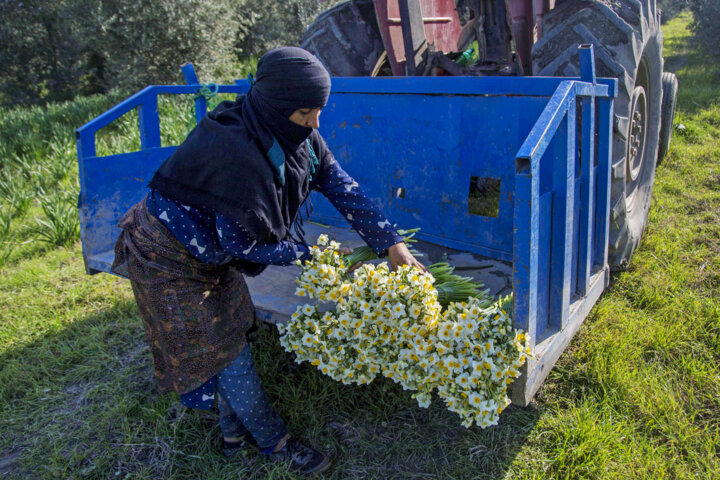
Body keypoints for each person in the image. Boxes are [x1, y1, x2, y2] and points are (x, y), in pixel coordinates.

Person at [112, 46, 424, 476]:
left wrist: (391, 243)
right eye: (305, 113)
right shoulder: (236, 153)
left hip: (209, 255)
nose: (316, 123)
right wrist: (310, 253)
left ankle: (232, 436)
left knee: (233, 327)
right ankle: (276, 442)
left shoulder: (295, 136)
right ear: (277, 107)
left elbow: (340, 184)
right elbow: (245, 245)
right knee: (226, 354)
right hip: (166, 259)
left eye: (320, 111)